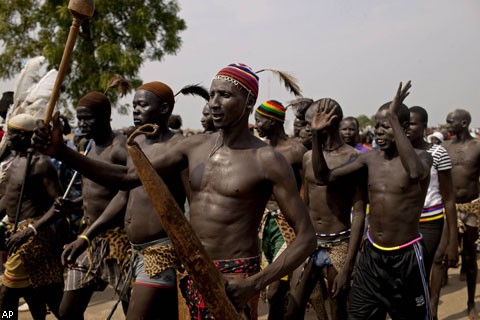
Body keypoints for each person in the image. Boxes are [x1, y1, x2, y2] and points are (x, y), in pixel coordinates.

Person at [34, 63, 317, 319]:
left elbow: (305, 238)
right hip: (190, 270)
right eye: (212, 95)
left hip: (236, 277)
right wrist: (62, 153)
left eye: (225, 96)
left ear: (249, 101)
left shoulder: (268, 160)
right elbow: (128, 176)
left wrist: (254, 283)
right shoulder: (192, 148)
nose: (215, 103)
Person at [62, 82, 189, 319]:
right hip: (133, 250)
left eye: (142, 105)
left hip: (160, 251)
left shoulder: (179, 147)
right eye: (133, 105)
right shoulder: (137, 143)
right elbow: (124, 194)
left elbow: (193, 201)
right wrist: (86, 235)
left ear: (163, 109)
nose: (135, 111)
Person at [310, 82, 433, 319]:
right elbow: (323, 177)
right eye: (377, 126)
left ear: (402, 127)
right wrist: (316, 136)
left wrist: (394, 119)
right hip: (372, 257)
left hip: (406, 258)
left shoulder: (422, 157)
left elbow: (415, 173)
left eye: (385, 126)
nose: (378, 132)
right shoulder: (370, 159)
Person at [286, 98, 366, 320]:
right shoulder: (307, 157)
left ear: (331, 121)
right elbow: (307, 201)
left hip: (339, 244)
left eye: (312, 122)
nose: (307, 127)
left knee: (338, 310)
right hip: (310, 242)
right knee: (293, 309)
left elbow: (359, 212)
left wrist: (349, 263)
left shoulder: (354, 158)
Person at [0, 114, 64, 320]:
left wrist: (31, 230)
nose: (8, 137)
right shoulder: (11, 164)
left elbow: (59, 206)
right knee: (39, 295)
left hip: (34, 239)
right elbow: (8, 200)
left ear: (28, 136)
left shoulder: (41, 164)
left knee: (6, 296)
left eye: (13, 133)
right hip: (14, 235)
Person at [254, 99, 307, 319]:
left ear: (273, 121)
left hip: (288, 226)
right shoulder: (261, 150)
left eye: (259, 119)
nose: (255, 123)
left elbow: (306, 188)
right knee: (272, 291)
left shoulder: (296, 150)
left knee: (275, 289)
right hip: (266, 224)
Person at [408, 106, 458, 319]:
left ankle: (431, 311)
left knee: (427, 269)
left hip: (431, 222)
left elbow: (448, 197)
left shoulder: (437, 153)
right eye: (404, 123)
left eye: (412, 123)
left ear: (424, 127)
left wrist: (453, 239)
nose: (407, 128)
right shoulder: (397, 153)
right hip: (406, 223)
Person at [443, 108, 480, 320]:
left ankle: (470, 303)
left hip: (471, 207)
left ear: (463, 123)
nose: (447, 125)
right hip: (448, 207)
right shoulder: (444, 147)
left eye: (451, 122)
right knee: (443, 253)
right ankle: (441, 283)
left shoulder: (477, 146)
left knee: (469, 254)